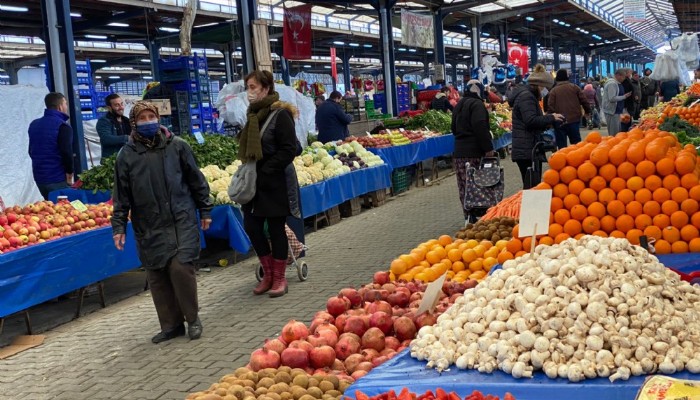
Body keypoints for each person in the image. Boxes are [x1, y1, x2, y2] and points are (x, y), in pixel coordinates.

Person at [111, 101, 213, 344]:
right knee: (157, 274)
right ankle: (171, 325)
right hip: (149, 223)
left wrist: (205, 210)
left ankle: (192, 318)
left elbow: (196, 180)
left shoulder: (177, 146)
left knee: (180, 268)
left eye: (151, 116)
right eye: (142, 118)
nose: (148, 121)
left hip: (180, 218)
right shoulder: (126, 155)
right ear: (134, 122)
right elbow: (121, 195)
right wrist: (118, 227)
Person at [238, 70, 301, 298]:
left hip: (274, 183)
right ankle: (267, 273)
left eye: (253, 87)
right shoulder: (252, 115)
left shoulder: (279, 114)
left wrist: (268, 169)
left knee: (276, 230)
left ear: (266, 88)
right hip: (254, 184)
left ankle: (279, 278)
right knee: (252, 228)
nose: (250, 92)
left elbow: (289, 149)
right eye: (248, 87)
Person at [508, 64, 564, 189]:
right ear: (540, 85)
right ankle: (529, 208)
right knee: (532, 186)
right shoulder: (526, 97)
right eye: (546, 89)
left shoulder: (527, 95)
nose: (546, 92)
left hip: (527, 147)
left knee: (531, 184)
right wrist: (551, 117)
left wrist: (547, 120)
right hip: (527, 149)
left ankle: (530, 207)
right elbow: (530, 120)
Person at [452, 80, 496, 223]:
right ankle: (482, 217)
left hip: (459, 153)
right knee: (478, 185)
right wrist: (488, 148)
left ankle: (468, 215)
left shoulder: (459, 104)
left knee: (464, 186)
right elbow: (480, 127)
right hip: (474, 153)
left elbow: (453, 128)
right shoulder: (477, 105)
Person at [28, 92, 74, 199]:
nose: (66, 107)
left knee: (49, 208)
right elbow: (66, 152)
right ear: (60, 107)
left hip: (39, 177)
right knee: (63, 211)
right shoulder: (63, 126)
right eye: (65, 104)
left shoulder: (34, 124)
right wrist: (69, 173)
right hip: (57, 177)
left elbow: (31, 151)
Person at [547, 69, 591, 149]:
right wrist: (587, 111)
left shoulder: (553, 91)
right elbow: (584, 101)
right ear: (567, 77)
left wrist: (550, 120)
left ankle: (563, 160)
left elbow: (550, 107)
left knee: (562, 145)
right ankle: (577, 160)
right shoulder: (575, 88)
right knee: (577, 145)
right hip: (574, 119)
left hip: (559, 121)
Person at [96, 94, 131, 159]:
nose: (121, 107)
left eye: (121, 104)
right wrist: (127, 138)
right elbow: (106, 139)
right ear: (109, 108)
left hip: (128, 159)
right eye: (117, 105)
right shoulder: (104, 121)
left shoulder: (127, 120)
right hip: (112, 160)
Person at [602, 69, 632, 137]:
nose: (624, 79)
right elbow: (612, 98)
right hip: (612, 111)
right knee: (614, 133)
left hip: (616, 111)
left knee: (617, 132)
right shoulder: (612, 84)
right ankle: (613, 146)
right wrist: (624, 96)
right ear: (618, 75)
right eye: (623, 77)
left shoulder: (617, 83)